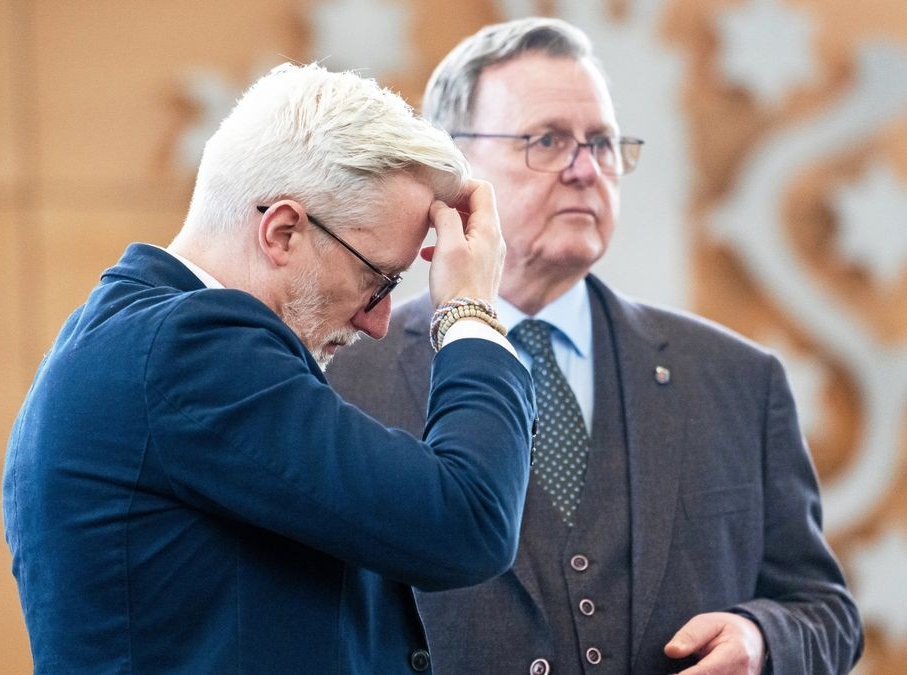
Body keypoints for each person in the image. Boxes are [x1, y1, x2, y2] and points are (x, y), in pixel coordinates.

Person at [329, 18, 863, 675]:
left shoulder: (739, 378)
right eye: (548, 140)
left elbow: (827, 612)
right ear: (451, 169)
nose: (586, 169)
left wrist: (761, 639)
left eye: (603, 143)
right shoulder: (345, 376)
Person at [2, 63, 537, 673]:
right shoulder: (189, 351)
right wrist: (469, 311)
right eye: (377, 280)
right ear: (283, 231)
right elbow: (466, 522)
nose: (379, 321)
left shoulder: (127, 339)